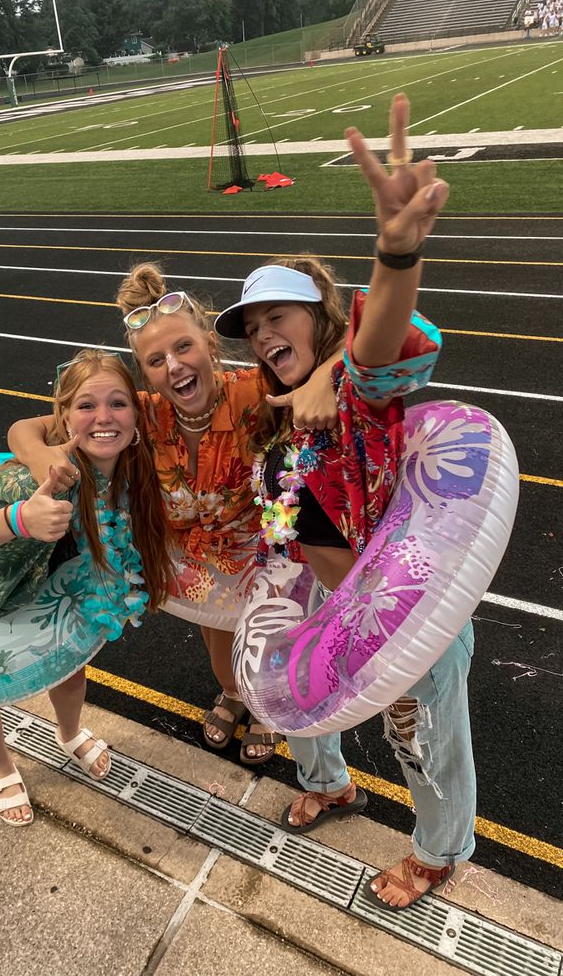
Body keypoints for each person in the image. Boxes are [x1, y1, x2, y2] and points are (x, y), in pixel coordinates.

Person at [214, 93, 476, 912]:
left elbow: (377, 343)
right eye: (251, 327)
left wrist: (395, 256)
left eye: (276, 318)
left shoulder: (356, 393)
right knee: (299, 700)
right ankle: (327, 786)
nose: (260, 337)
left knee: (422, 736)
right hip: (325, 595)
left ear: (318, 317)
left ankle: (439, 853)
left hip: (402, 601)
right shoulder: (272, 408)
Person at [8, 280, 342, 766]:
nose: (175, 366)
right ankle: (231, 694)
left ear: (209, 345)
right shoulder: (142, 414)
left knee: (268, 641)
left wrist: (321, 380)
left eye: (183, 346)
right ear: (145, 375)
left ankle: (266, 712)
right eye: (156, 360)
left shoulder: (254, 392)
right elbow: (29, 428)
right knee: (217, 635)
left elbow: (361, 347)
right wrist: (39, 456)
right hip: (192, 560)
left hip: (259, 553)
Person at [0, 350, 172, 826]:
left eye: (118, 403)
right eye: (86, 406)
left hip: (46, 582)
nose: (103, 417)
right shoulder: (35, 480)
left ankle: (69, 731)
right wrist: (19, 518)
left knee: (69, 665)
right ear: (63, 417)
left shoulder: (128, 470)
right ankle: (1, 766)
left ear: (138, 415)